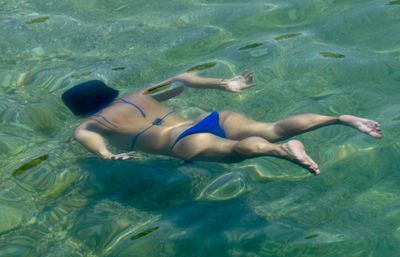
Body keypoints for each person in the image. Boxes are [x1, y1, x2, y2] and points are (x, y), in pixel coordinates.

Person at [62, 71, 381, 175]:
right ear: (108, 90)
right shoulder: (139, 94)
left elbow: (85, 137)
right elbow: (181, 79)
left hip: (182, 141)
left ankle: (282, 152)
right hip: (210, 118)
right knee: (270, 127)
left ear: (79, 109)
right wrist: (224, 84)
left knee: (237, 151)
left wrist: (106, 156)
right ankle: (338, 119)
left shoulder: (92, 122)